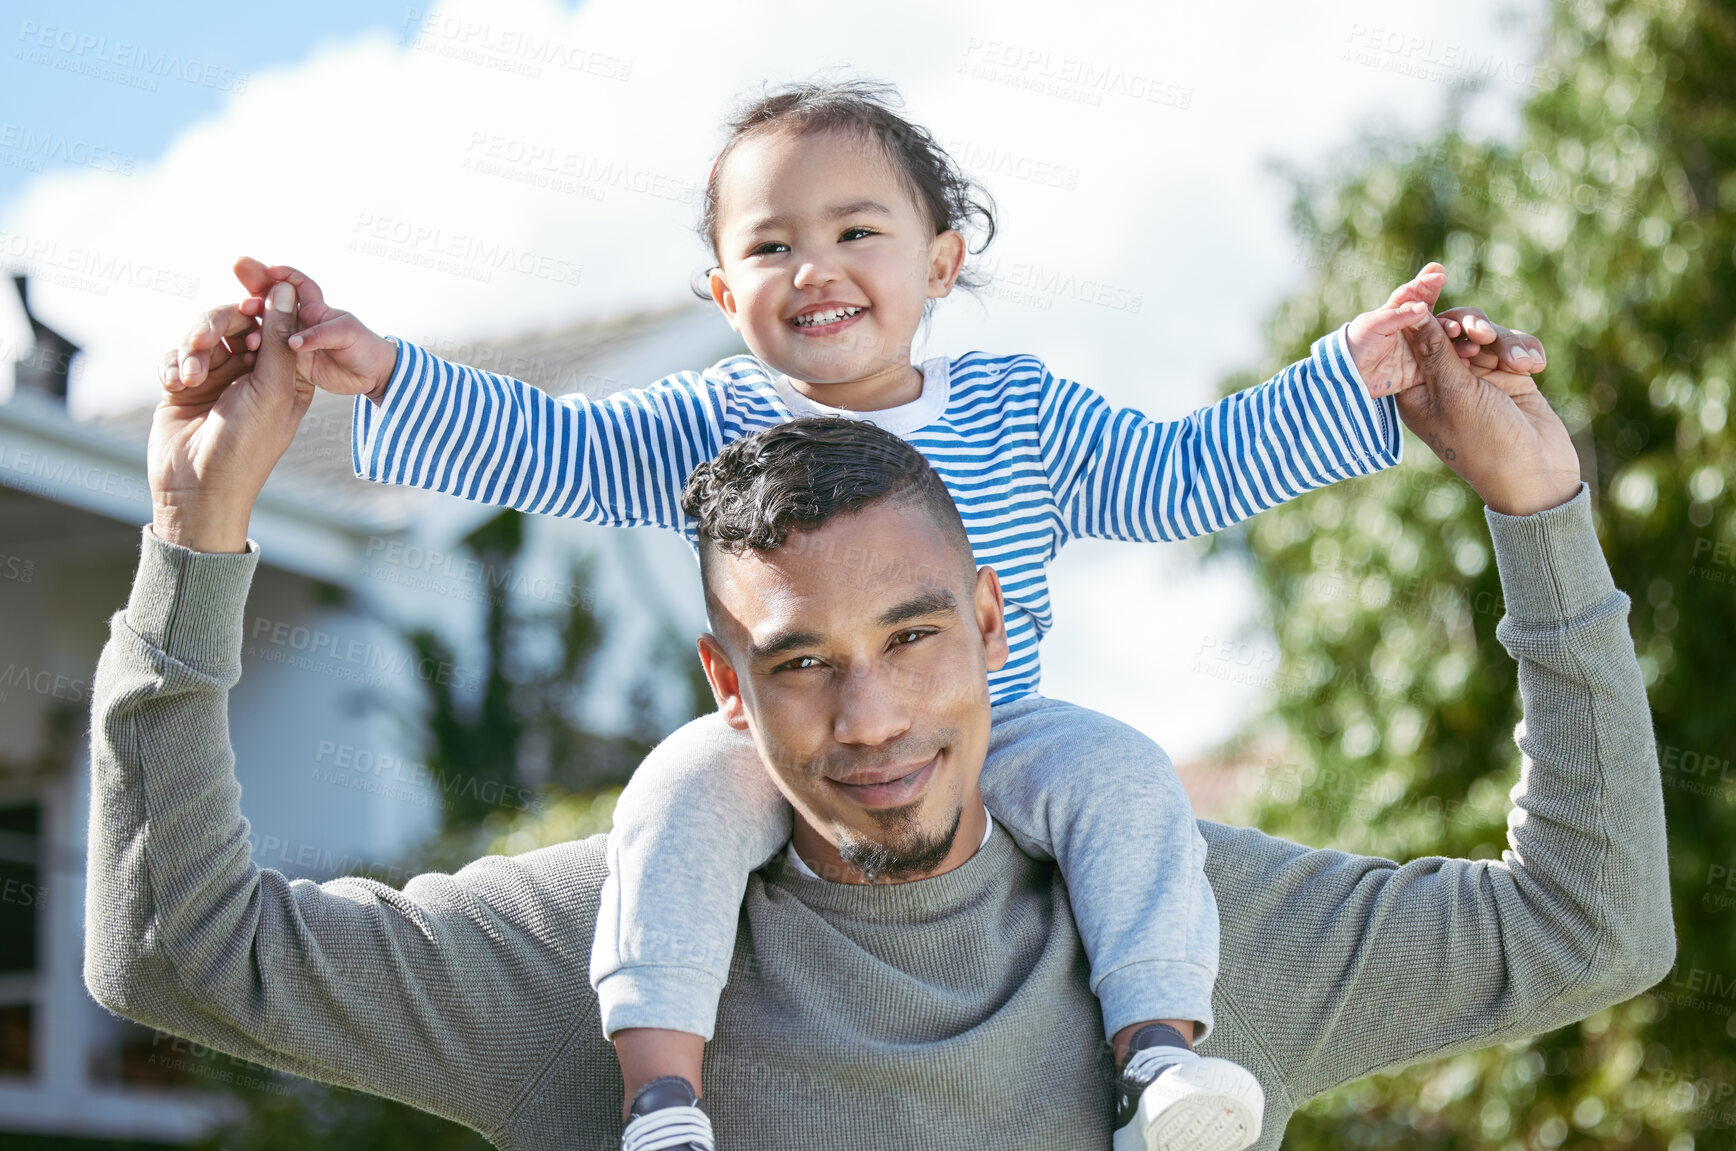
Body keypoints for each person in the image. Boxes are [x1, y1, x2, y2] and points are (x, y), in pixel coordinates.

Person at [165, 79, 1553, 1151]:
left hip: (1008, 742)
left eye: (855, 231)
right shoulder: (717, 421)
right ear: (724, 294)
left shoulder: (1017, 413)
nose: (814, 263)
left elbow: (1183, 473)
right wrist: (387, 373)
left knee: (1132, 778)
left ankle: (1158, 1055)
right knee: (671, 802)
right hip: (787, 762)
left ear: (941, 262)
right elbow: (553, 445)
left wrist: (1347, 376)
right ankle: (661, 1101)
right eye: (770, 244)